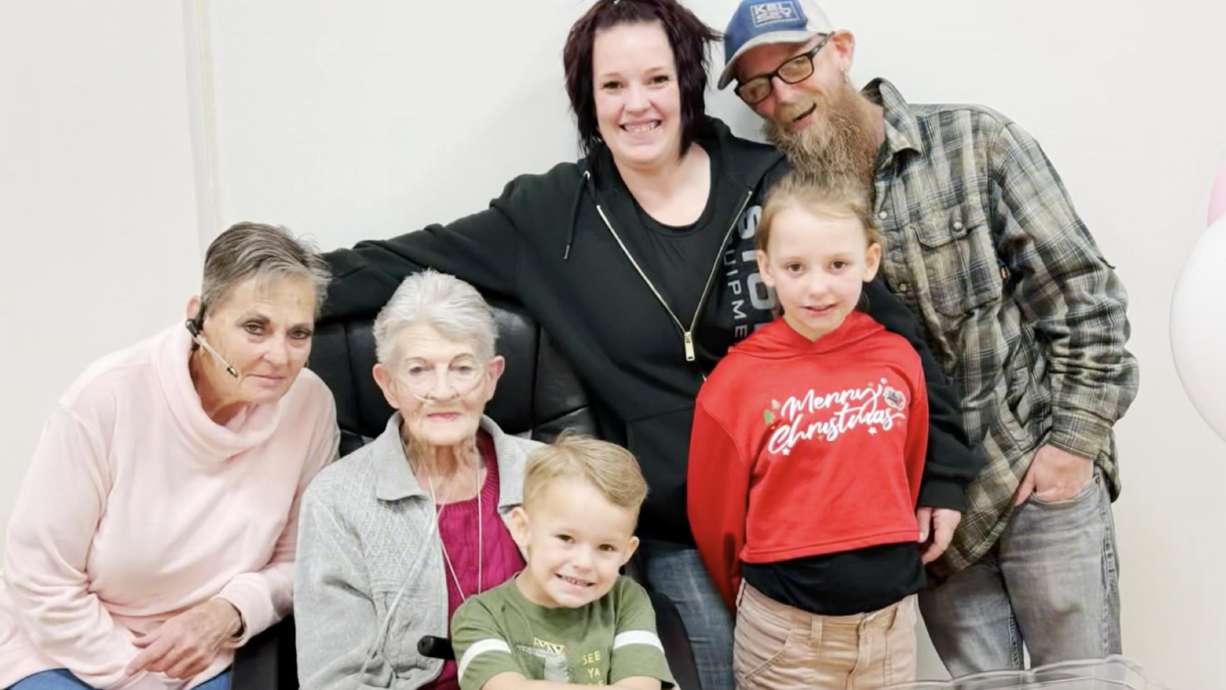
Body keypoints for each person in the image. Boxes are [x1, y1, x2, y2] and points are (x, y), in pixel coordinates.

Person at [320, 1, 982, 687]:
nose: (638, 105)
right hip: (680, 537)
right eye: (613, 85)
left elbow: (887, 337)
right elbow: (393, 262)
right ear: (589, 99)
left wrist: (941, 473)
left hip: (810, 529)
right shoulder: (551, 214)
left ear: (687, 85)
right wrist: (263, 293)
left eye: (656, 80)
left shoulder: (771, 184)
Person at [718, 0, 1139, 673]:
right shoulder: (791, 214)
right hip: (930, 522)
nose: (783, 96)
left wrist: (1072, 446)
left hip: (1035, 471)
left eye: (796, 65)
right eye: (759, 87)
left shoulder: (977, 141)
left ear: (843, 49)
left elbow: (1084, 296)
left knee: (1082, 681)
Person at [0, 223, 340, 690]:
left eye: (298, 334)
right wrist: (143, 681)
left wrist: (231, 611)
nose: (279, 356)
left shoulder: (310, 404)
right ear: (199, 317)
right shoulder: (105, 399)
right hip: (64, 649)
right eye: (255, 328)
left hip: (207, 654)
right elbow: (39, 579)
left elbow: (302, 561)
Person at [689, 174, 930, 688]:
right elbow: (717, 519)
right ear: (767, 269)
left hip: (889, 632)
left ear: (869, 261)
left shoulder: (897, 359)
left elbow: (905, 469)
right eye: (795, 267)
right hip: (784, 638)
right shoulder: (736, 382)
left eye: (838, 265)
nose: (817, 287)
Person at [294, 271, 543, 690]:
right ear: (388, 384)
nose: (442, 391)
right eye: (419, 370)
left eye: (462, 367)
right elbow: (336, 678)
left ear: (492, 376)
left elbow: (608, 623)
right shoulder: (337, 499)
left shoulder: (550, 475)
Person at [450, 435, 674, 690]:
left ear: (627, 551)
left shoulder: (626, 600)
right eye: (566, 538)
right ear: (522, 528)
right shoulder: (479, 615)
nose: (584, 562)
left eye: (606, 547)